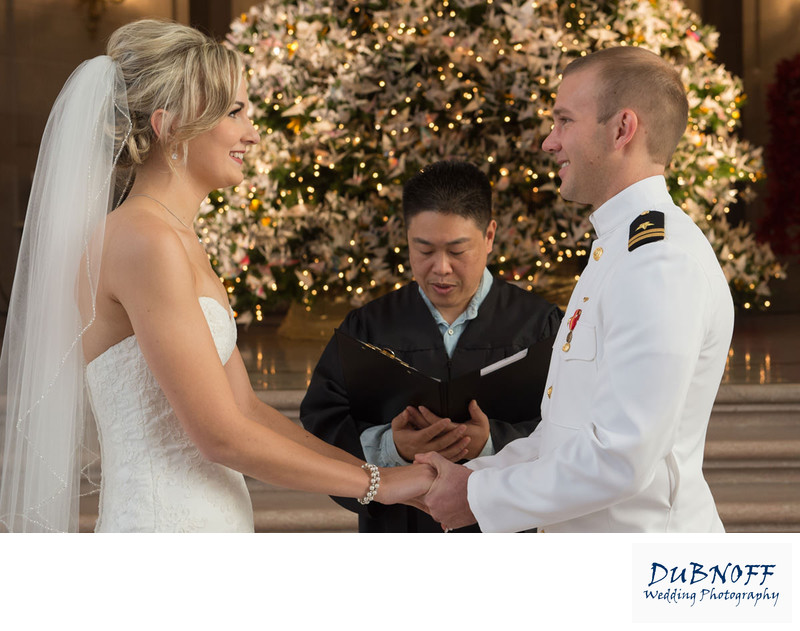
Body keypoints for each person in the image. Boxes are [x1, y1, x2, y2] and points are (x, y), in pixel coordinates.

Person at [0, 19, 432, 533]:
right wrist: (383, 487)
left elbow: (245, 409)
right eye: (234, 112)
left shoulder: (178, 239)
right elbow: (219, 435)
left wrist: (376, 472)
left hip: (214, 522)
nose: (253, 132)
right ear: (170, 127)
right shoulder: (145, 241)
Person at [417, 46, 734, 533]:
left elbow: (621, 457)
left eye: (564, 120)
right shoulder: (620, 247)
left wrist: (476, 497)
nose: (549, 141)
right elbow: (563, 438)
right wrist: (471, 476)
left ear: (622, 129)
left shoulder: (659, 259)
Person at [301, 160, 563, 532]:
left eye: (458, 251)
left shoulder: (540, 325)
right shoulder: (367, 328)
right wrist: (391, 447)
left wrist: (491, 442)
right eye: (423, 250)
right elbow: (320, 430)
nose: (440, 268)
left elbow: (571, 431)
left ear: (489, 236)